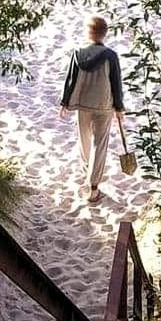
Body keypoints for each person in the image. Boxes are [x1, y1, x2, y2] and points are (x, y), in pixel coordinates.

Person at [58, 14, 125, 203]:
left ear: (88, 32)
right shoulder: (110, 56)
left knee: (85, 140)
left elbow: (70, 79)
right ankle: (94, 187)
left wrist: (64, 102)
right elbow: (116, 83)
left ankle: (88, 174)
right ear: (104, 34)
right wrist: (119, 108)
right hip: (104, 105)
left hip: (83, 103)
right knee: (99, 144)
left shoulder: (78, 52)